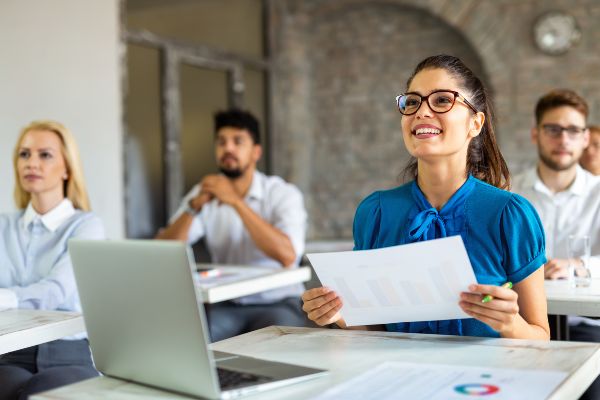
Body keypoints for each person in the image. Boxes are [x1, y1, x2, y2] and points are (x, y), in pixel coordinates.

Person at [302, 55, 550, 340]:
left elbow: (541, 338)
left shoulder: (510, 215)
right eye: (412, 102)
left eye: (442, 100)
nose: (421, 112)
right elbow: (375, 333)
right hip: (399, 376)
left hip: (483, 381)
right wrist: (342, 317)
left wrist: (510, 325)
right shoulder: (376, 212)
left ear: (476, 123)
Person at [156, 109, 308, 342]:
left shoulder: (283, 194)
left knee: (279, 351)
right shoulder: (204, 191)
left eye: (238, 141)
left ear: (256, 152)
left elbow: (288, 255)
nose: (228, 149)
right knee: (187, 344)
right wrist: (193, 207)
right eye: (221, 142)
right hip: (224, 304)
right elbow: (162, 251)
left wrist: (236, 202)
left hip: (278, 303)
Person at [0, 120, 105, 399]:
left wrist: (6, 298)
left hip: (67, 352)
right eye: (24, 154)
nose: (31, 163)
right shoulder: (3, 226)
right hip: (10, 353)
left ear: (68, 168)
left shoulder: (87, 226)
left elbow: (56, 290)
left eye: (44, 155)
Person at [512, 90, 600, 399]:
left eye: (573, 130)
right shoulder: (509, 194)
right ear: (536, 134)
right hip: (519, 322)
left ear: (586, 138)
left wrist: (578, 264)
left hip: (587, 324)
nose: (563, 139)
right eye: (553, 129)